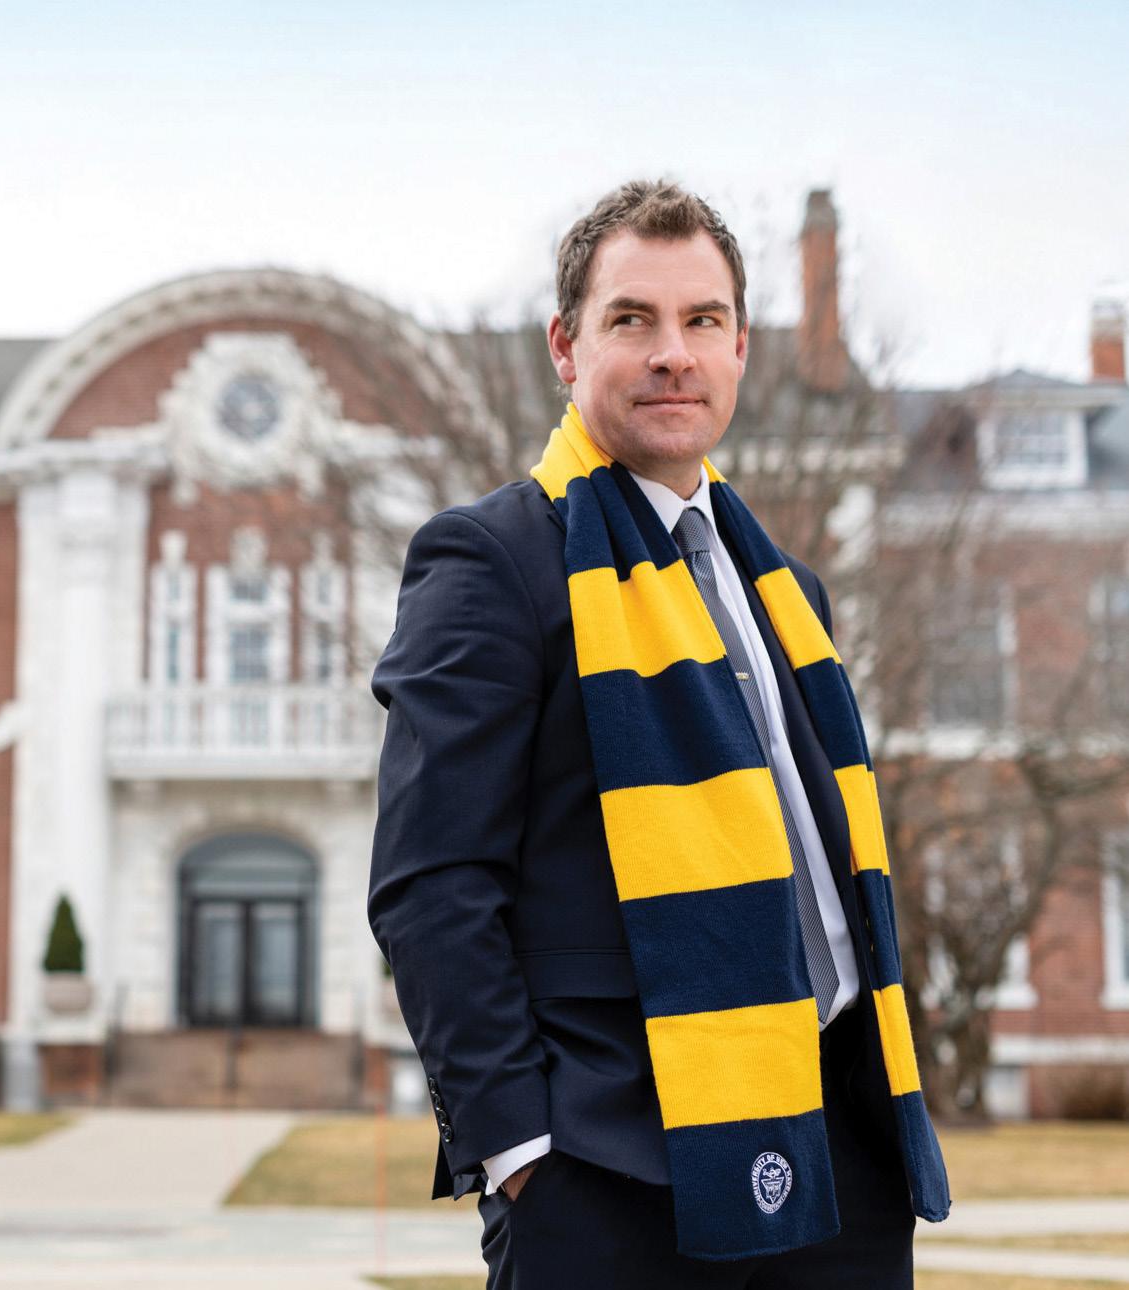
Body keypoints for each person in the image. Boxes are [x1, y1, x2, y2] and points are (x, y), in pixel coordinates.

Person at [367, 178, 950, 1288]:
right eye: (631, 319)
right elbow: (430, 885)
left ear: (740, 349)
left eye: (702, 320)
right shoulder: (492, 562)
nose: (672, 354)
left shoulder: (789, 594)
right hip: (614, 1169)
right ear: (566, 346)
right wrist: (519, 1152)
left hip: (837, 1150)